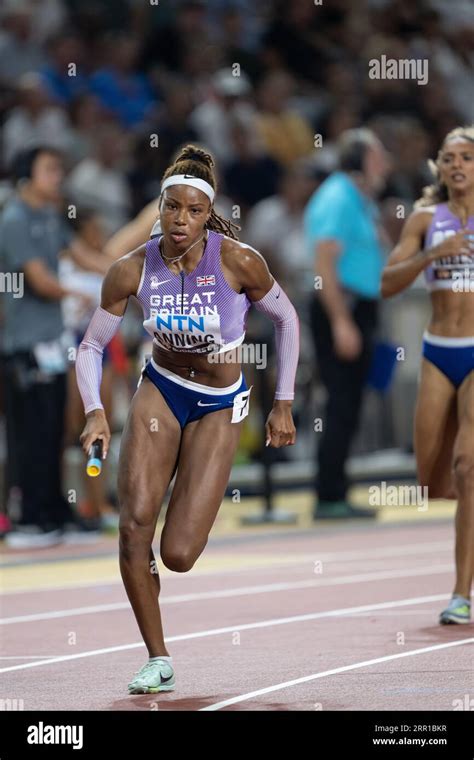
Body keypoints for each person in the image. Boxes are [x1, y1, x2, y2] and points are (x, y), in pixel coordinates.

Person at [76, 144, 299, 694]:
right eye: (170, 208)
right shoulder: (130, 270)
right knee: (133, 528)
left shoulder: (239, 261)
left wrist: (284, 402)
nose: (180, 220)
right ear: (159, 208)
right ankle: (157, 657)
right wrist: (95, 412)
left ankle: (198, 492)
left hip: (221, 403)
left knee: (176, 554)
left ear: (208, 215)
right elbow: (89, 347)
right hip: (163, 388)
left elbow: (289, 319)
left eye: (192, 211)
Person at [381, 126, 474, 625]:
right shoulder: (423, 219)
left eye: (467, 157)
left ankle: (460, 593)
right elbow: (386, 284)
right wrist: (430, 256)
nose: (457, 165)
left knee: (467, 468)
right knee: (433, 479)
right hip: (439, 349)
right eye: (449, 158)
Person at [0, 146, 99, 547]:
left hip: (53, 345)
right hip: (24, 346)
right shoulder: (14, 220)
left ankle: (55, 510)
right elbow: (40, 281)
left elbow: (83, 255)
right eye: (50, 169)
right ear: (27, 177)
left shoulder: (50, 217)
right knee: (29, 434)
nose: (58, 176)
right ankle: (29, 518)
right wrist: (78, 292)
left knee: (55, 431)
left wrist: (131, 270)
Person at [304, 128, 390, 520]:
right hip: (341, 306)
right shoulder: (338, 196)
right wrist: (341, 321)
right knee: (339, 401)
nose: (384, 163)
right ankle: (328, 494)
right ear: (359, 160)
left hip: (359, 306)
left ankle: (336, 488)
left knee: (350, 402)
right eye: (377, 156)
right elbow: (324, 265)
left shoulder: (361, 200)